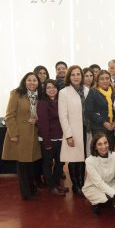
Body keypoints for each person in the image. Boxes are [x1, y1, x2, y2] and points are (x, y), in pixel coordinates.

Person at [2, 72, 42, 200]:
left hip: (34, 134)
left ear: (38, 83)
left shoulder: (39, 95)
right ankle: (27, 193)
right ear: (24, 81)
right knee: (23, 166)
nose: (32, 83)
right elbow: (9, 115)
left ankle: (33, 188)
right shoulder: (16, 93)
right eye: (29, 80)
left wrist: (37, 120)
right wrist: (13, 133)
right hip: (20, 135)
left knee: (32, 164)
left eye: (34, 80)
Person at [58, 65, 88, 196]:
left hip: (86, 130)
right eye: (73, 74)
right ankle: (76, 185)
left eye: (78, 74)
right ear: (69, 77)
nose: (76, 77)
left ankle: (82, 184)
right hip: (73, 131)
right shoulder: (64, 92)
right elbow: (62, 116)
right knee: (73, 158)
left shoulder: (87, 90)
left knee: (83, 158)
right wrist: (68, 135)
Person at [82, 133, 115, 215]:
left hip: (110, 184)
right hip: (94, 186)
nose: (104, 147)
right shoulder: (89, 161)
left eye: (105, 143)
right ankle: (96, 204)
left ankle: (112, 199)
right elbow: (98, 183)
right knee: (106, 197)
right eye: (99, 144)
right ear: (95, 147)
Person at [36, 79, 68, 196]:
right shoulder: (42, 102)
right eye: (48, 87)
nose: (51, 90)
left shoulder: (60, 101)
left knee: (60, 163)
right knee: (48, 163)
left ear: (57, 89)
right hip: (48, 139)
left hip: (60, 138)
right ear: (45, 90)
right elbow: (43, 124)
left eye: (54, 87)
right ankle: (52, 186)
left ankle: (56, 184)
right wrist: (47, 143)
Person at [85, 70, 115, 152]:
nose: (105, 81)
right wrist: (104, 122)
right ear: (97, 81)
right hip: (98, 128)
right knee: (100, 152)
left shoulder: (113, 91)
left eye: (107, 78)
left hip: (112, 128)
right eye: (102, 79)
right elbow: (89, 112)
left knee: (110, 152)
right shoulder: (93, 92)